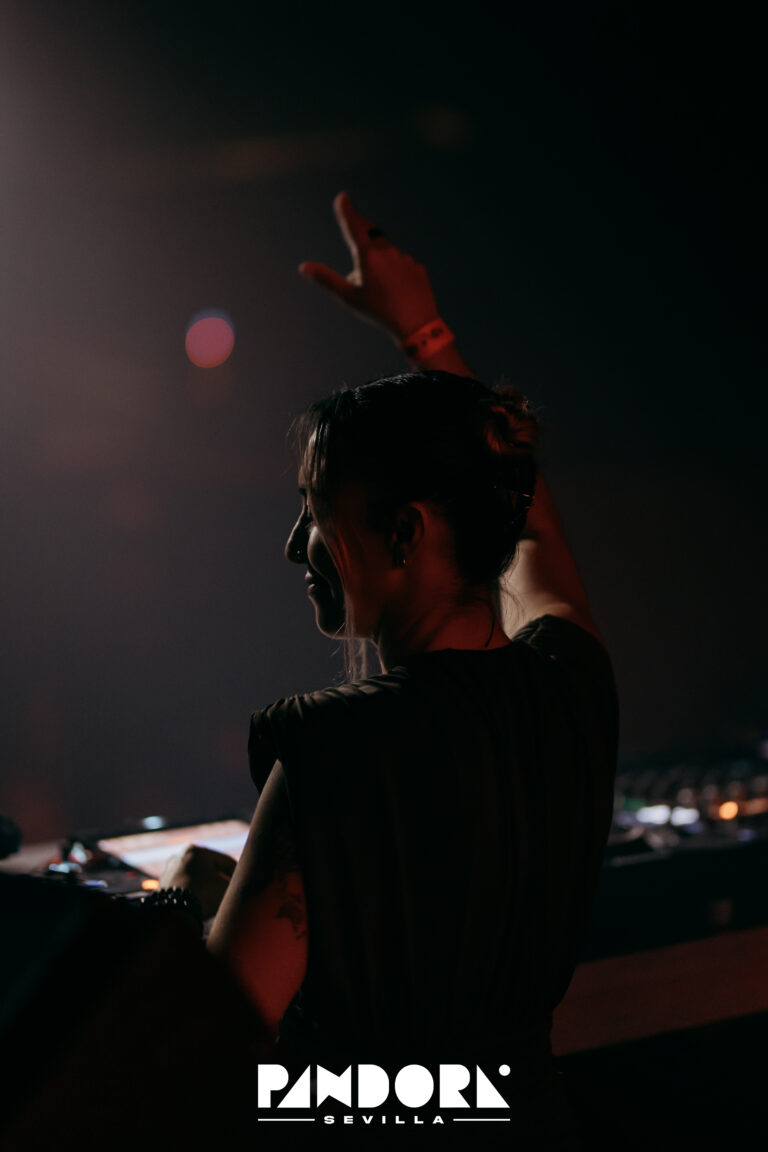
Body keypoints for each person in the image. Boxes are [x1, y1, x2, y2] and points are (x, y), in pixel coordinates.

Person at [161, 193, 619, 1147]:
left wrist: (186, 925)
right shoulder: (573, 684)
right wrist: (425, 332)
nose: (295, 545)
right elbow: (534, 530)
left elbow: (210, 1066)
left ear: (403, 534)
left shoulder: (334, 750)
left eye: (316, 512)